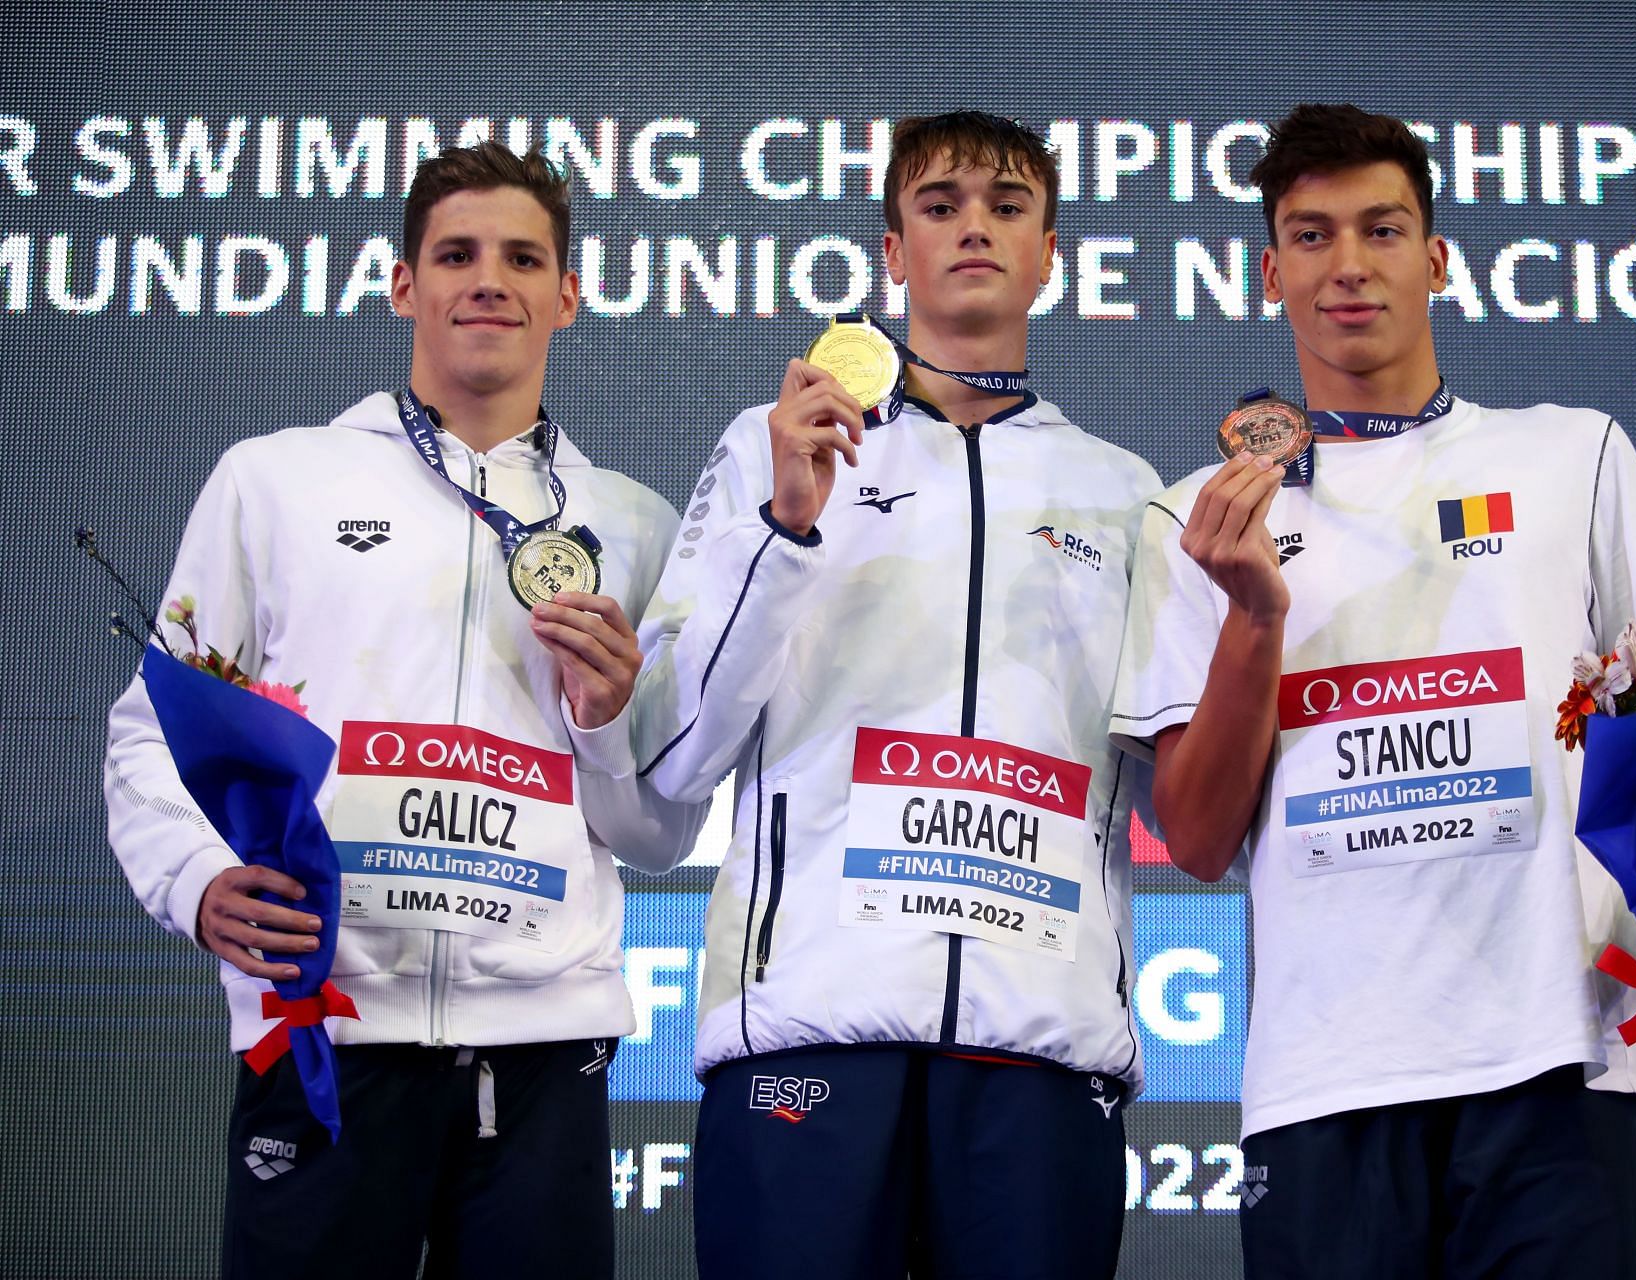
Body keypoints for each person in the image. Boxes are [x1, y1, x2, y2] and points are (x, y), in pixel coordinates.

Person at [1108, 103, 1636, 1279]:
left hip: (1560, 1051)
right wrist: (1256, 614)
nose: (1348, 265)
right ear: (1268, 272)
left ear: (1438, 258)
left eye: (1383, 229)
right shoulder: (1197, 516)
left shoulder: (1574, 453)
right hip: (1326, 1074)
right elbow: (1195, 837)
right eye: (1311, 235)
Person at [103, 141, 703, 1280]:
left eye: (524, 257)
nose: (491, 279)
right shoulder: (277, 479)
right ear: (403, 285)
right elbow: (154, 730)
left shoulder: (631, 526)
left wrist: (609, 714)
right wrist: (195, 880)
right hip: (327, 1025)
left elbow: (661, 831)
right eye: (457, 253)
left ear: (567, 295)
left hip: (542, 1049)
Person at [632, 111, 1162, 1279]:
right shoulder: (775, 449)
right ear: (892, 249)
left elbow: (1183, 798)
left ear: (1050, 253)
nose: (974, 225)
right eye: (940, 204)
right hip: (811, 1027)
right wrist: (787, 524)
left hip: (1039, 1045)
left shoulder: (1124, 493)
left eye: (1007, 205)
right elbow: (669, 758)